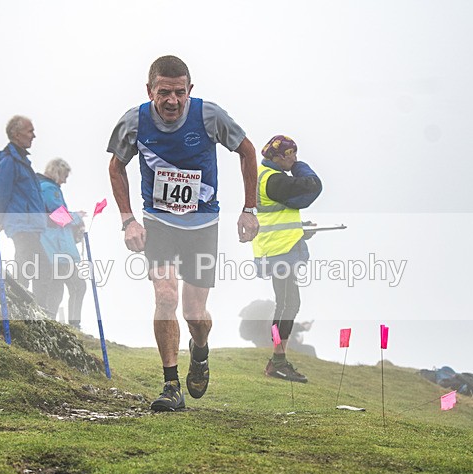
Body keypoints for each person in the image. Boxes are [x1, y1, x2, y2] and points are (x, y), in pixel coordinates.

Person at [107, 55, 259, 411]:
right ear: (150, 91)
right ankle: (170, 385)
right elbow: (117, 167)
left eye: (179, 92)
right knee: (164, 297)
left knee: (194, 313)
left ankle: (200, 351)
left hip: (202, 225)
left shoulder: (209, 115)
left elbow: (247, 151)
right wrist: (128, 220)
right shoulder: (134, 121)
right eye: (164, 93)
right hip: (158, 223)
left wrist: (250, 209)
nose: (172, 100)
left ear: (189, 90)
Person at [252, 135, 322, 382]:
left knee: (285, 303)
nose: (294, 157)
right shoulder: (274, 179)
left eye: (295, 153)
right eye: (290, 154)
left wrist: (300, 229)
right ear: (277, 157)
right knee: (288, 304)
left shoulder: (266, 175)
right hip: (278, 251)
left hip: (277, 248)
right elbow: (312, 186)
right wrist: (299, 167)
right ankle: (278, 361)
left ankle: (277, 358)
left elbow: (278, 215)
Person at [0, 115, 53, 311]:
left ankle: (29, 307)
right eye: (30, 131)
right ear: (16, 134)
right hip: (21, 224)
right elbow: (1, 192)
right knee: (37, 266)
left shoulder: (22, 161)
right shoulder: (10, 161)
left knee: (32, 266)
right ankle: (29, 308)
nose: (34, 135)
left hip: (30, 225)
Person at [38, 157, 87, 329]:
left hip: (50, 247)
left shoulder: (42, 187)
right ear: (57, 171)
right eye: (65, 175)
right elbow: (58, 216)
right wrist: (77, 217)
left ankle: (51, 325)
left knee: (56, 288)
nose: (65, 180)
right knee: (78, 286)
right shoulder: (49, 189)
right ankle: (75, 325)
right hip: (56, 249)